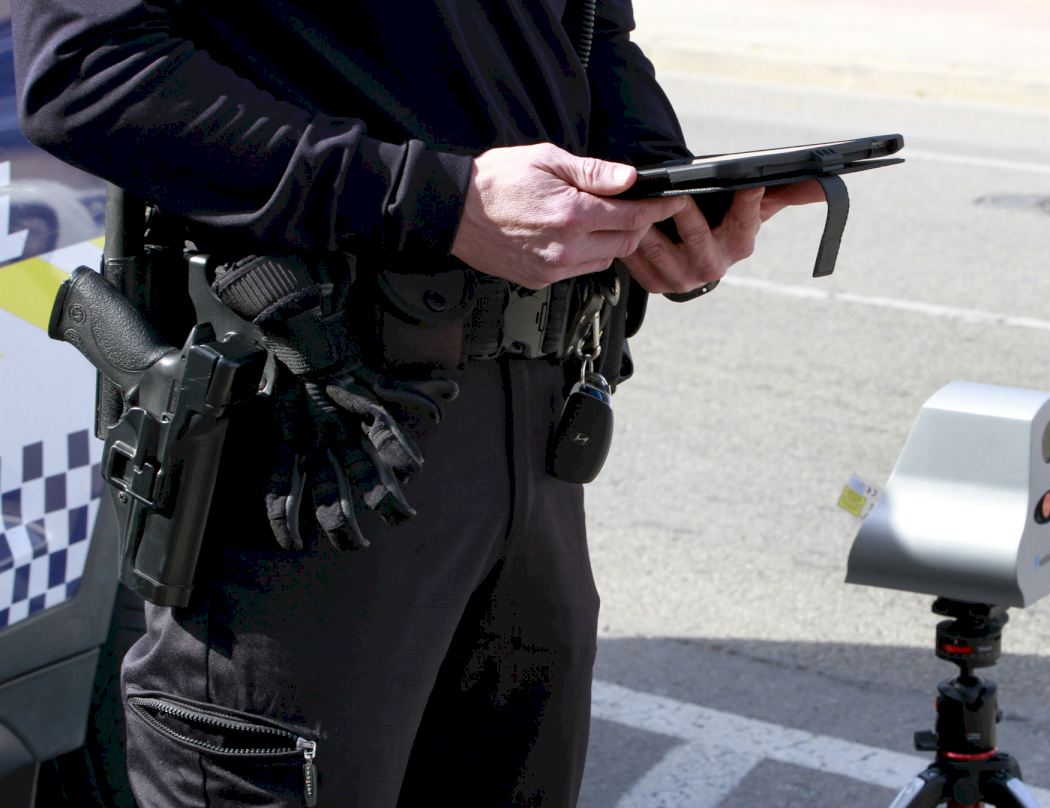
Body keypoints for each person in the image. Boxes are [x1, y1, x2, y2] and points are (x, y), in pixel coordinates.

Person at [12, 1, 825, 805]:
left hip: (533, 437)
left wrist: (660, 191)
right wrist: (439, 201)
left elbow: (589, 29)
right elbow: (89, 74)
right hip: (319, 440)